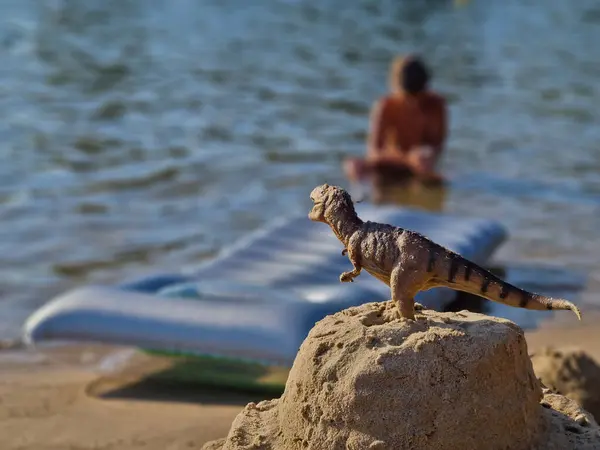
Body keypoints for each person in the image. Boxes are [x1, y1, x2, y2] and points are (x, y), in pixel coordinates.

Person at [344, 55, 448, 184]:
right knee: (354, 166)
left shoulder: (436, 105)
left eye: (418, 98)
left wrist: (427, 154)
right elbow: (373, 152)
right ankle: (364, 199)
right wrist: (407, 159)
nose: (414, 104)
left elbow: (437, 147)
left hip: (421, 169)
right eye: (407, 99)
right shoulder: (385, 106)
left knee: (432, 173)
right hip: (390, 165)